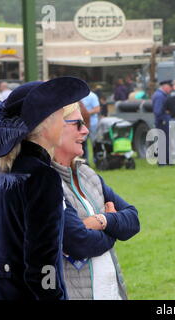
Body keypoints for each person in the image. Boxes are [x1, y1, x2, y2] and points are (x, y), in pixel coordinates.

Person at [0, 77, 90, 300]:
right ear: (45, 123)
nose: (62, 122)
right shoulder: (42, 177)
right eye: (59, 116)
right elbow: (43, 268)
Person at [52, 103, 140, 300]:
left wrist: (102, 221)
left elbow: (133, 220)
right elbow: (78, 242)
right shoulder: (47, 182)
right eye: (78, 124)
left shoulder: (87, 174)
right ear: (54, 128)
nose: (86, 130)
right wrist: (113, 228)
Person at [151, 80, 173, 165]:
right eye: (170, 87)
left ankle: (165, 160)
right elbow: (158, 111)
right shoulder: (160, 96)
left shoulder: (160, 94)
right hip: (162, 122)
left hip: (161, 121)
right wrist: (164, 117)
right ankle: (162, 161)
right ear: (165, 86)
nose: (170, 90)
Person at [81, 90, 101, 164]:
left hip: (93, 124)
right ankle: (85, 163)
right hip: (83, 124)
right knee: (83, 144)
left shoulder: (92, 96)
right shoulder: (79, 97)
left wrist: (85, 113)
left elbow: (97, 109)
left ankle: (97, 161)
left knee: (94, 143)